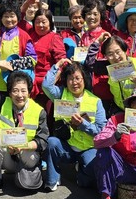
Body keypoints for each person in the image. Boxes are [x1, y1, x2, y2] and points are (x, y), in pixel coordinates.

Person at [0, 61, 49, 196]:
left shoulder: (39, 111)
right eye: (15, 91)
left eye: (23, 91)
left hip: (27, 155)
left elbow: (43, 139)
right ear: (10, 93)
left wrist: (23, 147)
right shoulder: (2, 103)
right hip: (8, 156)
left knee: (31, 156)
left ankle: (26, 173)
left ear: (29, 91)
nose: (19, 95)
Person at [41, 59, 106, 191]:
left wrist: (83, 124)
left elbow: (101, 130)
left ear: (84, 79)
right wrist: (57, 65)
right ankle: (53, 179)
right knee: (51, 142)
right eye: (70, 79)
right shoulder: (61, 94)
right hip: (67, 145)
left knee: (88, 176)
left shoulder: (96, 101)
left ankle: (81, 172)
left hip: (88, 147)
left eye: (77, 78)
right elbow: (46, 86)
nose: (74, 82)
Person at [88, 34, 136, 112]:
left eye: (118, 52)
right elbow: (90, 64)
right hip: (120, 109)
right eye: (110, 54)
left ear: (125, 51)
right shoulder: (111, 67)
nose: (116, 57)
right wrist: (98, 41)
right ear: (106, 56)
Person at [27, 8, 66, 99]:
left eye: (44, 22)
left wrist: (50, 84)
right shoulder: (29, 35)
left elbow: (62, 63)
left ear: (50, 23)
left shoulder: (54, 38)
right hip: (29, 84)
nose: (40, 25)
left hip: (44, 87)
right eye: (37, 22)